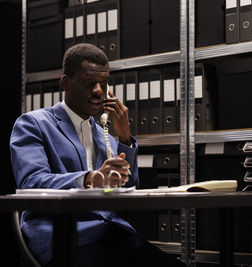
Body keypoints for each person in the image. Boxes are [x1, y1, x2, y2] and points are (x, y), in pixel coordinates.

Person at [10, 43, 186, 267]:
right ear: (65, 83)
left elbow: (127, 189)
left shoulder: (104, 134)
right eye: (89, 83)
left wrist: (124, 138)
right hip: (66, 237)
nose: (98, 91)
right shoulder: (33, 124)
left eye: (103, 84)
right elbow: (31, 183)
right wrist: (89, 178)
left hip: (112, 233)